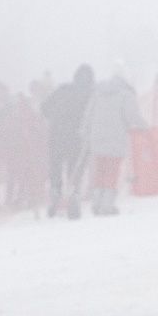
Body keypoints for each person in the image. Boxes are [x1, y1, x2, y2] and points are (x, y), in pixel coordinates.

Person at [79, 67, 145, 217]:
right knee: (112, 172)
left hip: (97, 138)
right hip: (116, 138)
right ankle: (107, 205)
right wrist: (145, 127)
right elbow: (132, 116)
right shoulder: (125, 95)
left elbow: (88, 115)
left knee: (100, 171)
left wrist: (85, 132)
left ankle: (96, 203)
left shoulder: (97, 94)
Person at [42, 64, 95, 218]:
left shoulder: (62, 90)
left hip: (56, 136)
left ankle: (55, 197)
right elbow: (91, 116)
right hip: (77, 139)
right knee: (74, 171)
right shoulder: (89, 95)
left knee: (56, 169)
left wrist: (55, 120)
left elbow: (44, 108)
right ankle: (73, 199)